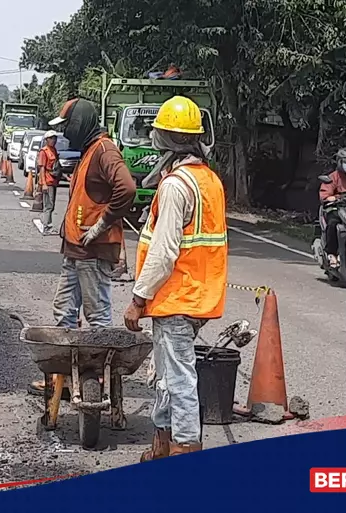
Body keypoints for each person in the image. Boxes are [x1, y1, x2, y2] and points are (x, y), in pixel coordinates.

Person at [123, 96, 228, 459]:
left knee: (179, 379)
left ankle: (184, 451)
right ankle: (161, 447)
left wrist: (138, 300)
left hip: (176, 297)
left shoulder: (175, 186)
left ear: (165, 138)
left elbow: (164, 252)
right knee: (168, 374)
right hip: (200, 297)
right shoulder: (208, 181)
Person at [29, 98, 136, 394]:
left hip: (92, 251)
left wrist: (103, 223)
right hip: (76, 250)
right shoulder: (89, 150)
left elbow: (126, 188)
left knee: (97, 318)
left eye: (67, 127)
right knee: (64, 312)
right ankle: (64, 381)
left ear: (79, 124)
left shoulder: (104, 151)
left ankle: (98, 383)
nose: (64, 135)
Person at [37, 130, 60, 235]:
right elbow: (42, 168)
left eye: (55, 138)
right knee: (48, 205)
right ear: (47, 140)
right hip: (48, 181)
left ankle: (48, 226)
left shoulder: (54, 150)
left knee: (52, 205)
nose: (54, 140)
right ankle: (46, 227)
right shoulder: (44, 152)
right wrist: (43, 184)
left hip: (54, 181)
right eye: (51, 138)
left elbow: (56, 167)